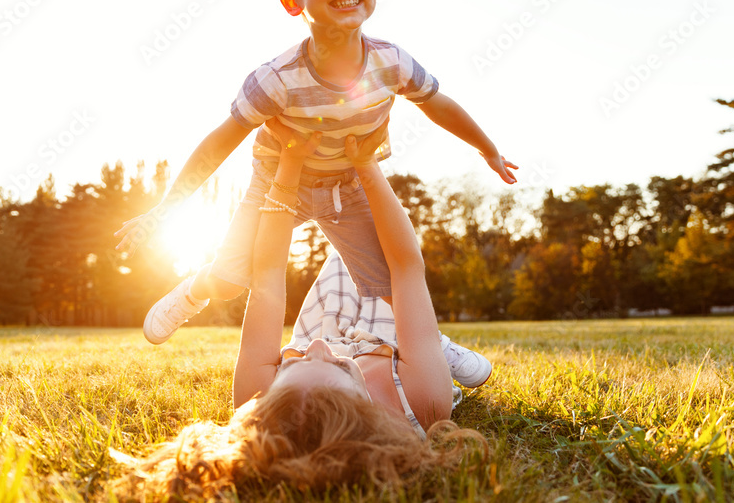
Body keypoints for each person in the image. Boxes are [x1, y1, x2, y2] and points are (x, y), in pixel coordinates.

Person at [114, 0, 517, 349]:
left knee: (389, 279)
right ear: (293, 1)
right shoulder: (277, 80)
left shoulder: (392, 63)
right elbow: (218, 144)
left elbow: (437, 103)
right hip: (277, 186)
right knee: (230, 280)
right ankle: (194, 292)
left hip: (349, 183)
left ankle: (429, 342)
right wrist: (165, 208)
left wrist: (486, 148)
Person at [117, 120, 487, 498]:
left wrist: (289, 167)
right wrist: (365, 164)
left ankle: (422, 339)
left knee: (276, 272)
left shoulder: (258, 400)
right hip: (391, 343)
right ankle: (430, 345)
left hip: (327, 317)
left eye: (291, 364)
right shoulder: (423, 401)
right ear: (371, 413)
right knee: (392, 284)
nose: (316, 348)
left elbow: (268, 274)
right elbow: (407, 266)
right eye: (339, 365)